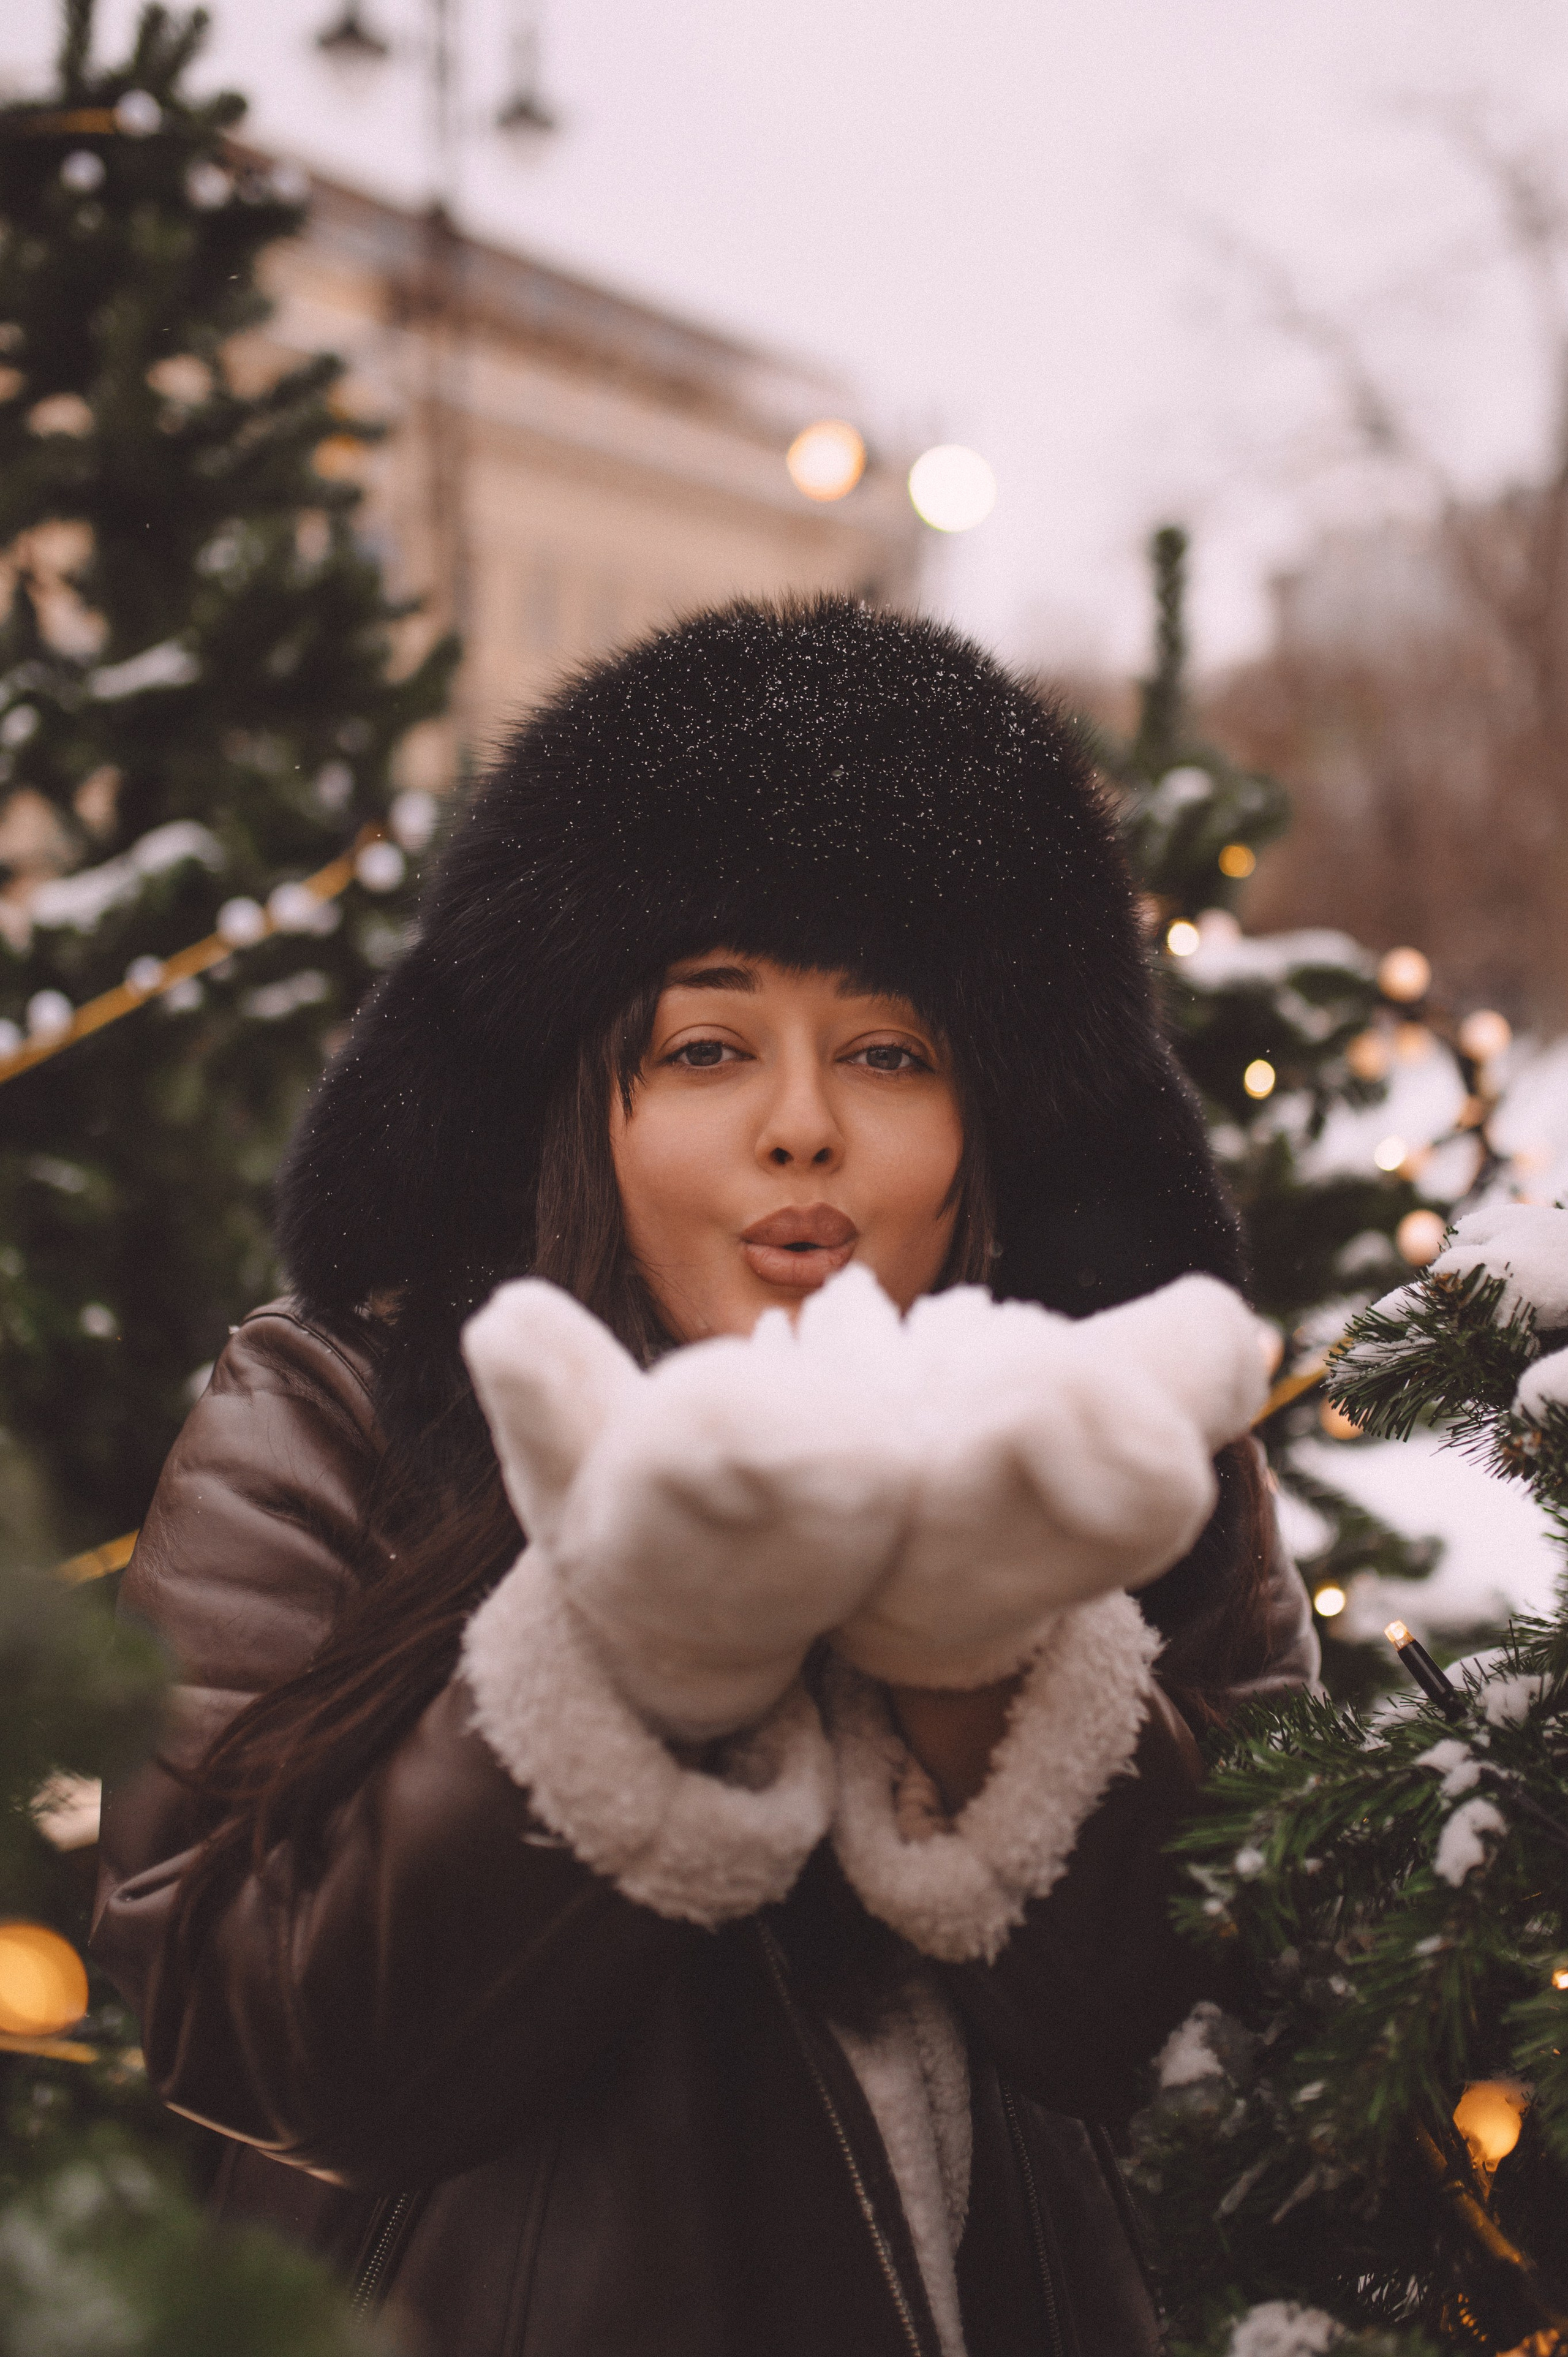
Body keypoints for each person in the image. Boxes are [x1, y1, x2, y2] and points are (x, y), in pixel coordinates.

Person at [92, 597, 1317, 2357]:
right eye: (708, 1047)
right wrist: (637, 1654)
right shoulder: (331, 1417)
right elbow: (247, 2032)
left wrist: (991, 1669)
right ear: (587, 1106)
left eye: (890, 1053)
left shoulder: (1123, 1459)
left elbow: (1263, 2041)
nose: (800, 1124)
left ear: (991, 1125)